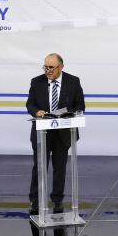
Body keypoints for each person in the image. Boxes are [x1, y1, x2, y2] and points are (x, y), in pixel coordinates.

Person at [26, 53, 85, 214]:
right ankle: (35, 201)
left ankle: (57, 201)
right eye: (45, 67)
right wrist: (37, 111)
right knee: (39, 168)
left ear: (61, 67)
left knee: (60, 168)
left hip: (63, 132)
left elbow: (80, 105)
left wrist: (67, 113)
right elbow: (30, 104)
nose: (48, 71)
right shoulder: (36, 82)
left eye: (51, 67)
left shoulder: (73, 81)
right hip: (42, 133)